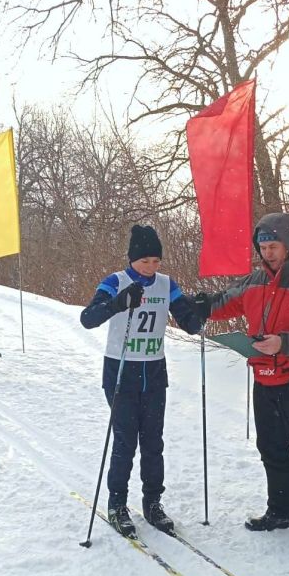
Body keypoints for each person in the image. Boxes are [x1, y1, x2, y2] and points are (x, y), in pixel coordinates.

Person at [195, 211, 289, 562]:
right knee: (272, 450)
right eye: (263, 246)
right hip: (264, 380)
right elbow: (220, 305)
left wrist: (285, 343)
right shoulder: (253, 281)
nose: (268, 253)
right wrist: (186, 302)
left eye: (274, 246)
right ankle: (281, 512)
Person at [80, 223, 204, 538]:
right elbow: (88, 318)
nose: (150, 267)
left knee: (153, 441)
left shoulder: (165, 284)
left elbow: (186, 318)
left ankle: (152, 502)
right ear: (133, 259)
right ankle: (117, 504)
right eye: (145, 261)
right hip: (121, 371)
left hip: (154, 372)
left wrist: (198, 314)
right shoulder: (116, 281)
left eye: (155, 261)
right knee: (125, 441)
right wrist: (118, 303)